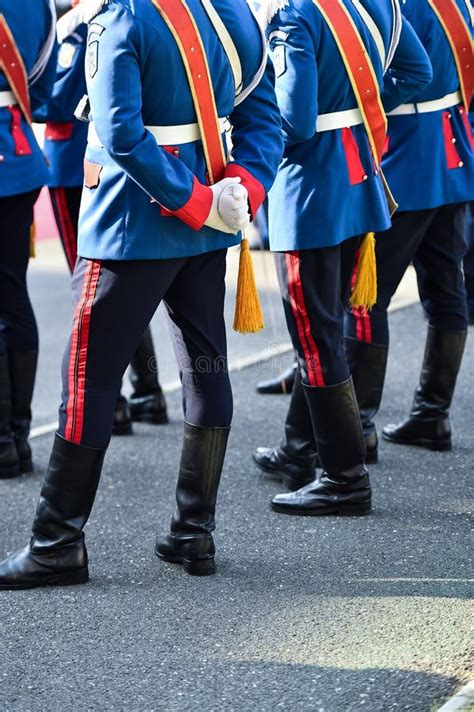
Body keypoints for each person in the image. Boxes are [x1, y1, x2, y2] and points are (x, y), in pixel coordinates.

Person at [0, 0, 283, 589]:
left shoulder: (120, 19)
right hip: (207, 227)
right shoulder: (229, 13)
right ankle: (193, 532)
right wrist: (239, 188)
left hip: (132, 226)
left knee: (88, 381)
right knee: (207, 370)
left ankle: (57, 543)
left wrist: (200, 202)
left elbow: (122, 136)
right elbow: (265, 119)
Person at [253, 0, 432, 513]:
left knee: (315, 337)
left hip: (311, 192)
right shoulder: (359, 6)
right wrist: (359, 111)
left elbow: (295, 120)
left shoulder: (293, 16)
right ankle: (299, 448)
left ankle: (344, 478)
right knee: (327, 330)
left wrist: (244, 143)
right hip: (359, 174)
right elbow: (414, 71)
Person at [345, 0, 473, 455]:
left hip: (406, 156)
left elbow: (382, 76)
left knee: (364, 295)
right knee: (446, 288)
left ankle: (357, 426)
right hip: (453, 149)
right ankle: (432, 415)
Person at [37, 1, 168, 434]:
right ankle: (146, 390)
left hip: (78, 162)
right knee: (121, 286)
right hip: (107, 165)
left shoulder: (80, 23)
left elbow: (54, 100)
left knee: (92, 290)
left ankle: (113, 403)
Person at [0, 0, 57, 479]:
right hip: (19, 154)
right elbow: (41, 82)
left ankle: (3, 442)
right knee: (13, 296)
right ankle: (16, 437)